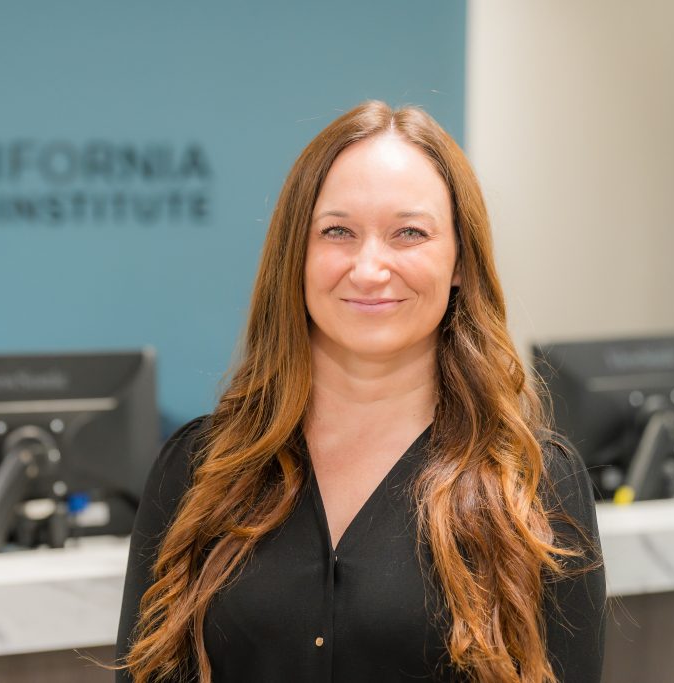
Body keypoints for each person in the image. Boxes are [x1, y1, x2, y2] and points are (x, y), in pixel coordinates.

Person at [115, 101, 606, 682]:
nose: (370, 268)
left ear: (460, 262)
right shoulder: (198, 471)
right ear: (295, 254)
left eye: (409, 233)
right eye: (338, 232)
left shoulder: (535, 485)